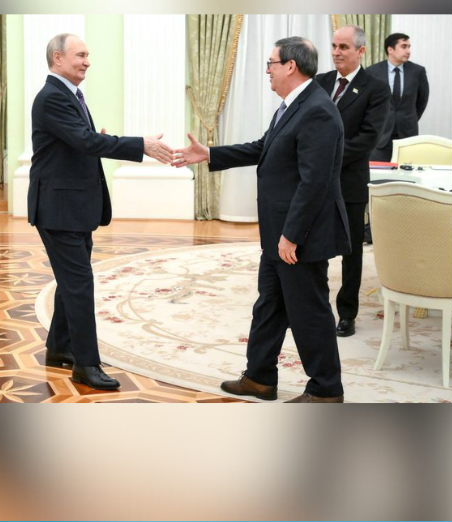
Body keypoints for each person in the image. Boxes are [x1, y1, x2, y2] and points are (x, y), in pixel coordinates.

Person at [174, 37, 351, 403]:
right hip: (280, 232)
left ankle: (326, 390)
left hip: (299, 236)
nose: (267, 70)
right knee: (270, 305)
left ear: (290, 66)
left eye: (271, 63)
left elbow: (314, 183)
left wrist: (292, 236)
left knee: (309, 312)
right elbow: (263, 148)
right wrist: (210, 154)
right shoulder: (294, 105)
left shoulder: (316, 110)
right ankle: (259, 377)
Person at [28, 33, 173, 391]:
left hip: (72, 207)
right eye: (80, 55)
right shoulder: (52, 97)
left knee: (72, 282)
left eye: (88, 55)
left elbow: (78, 142)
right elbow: (85, 140)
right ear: (58, 58)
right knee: (79, 285)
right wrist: (141, 145)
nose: (87, 61)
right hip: (59, 210)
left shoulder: (69, 95)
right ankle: (86, 365)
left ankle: (60, 347)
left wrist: (95, 141)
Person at [315, 25, 390, 338]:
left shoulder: (376, 89)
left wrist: (323, 157)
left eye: (343, 47)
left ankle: (347, 314)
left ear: (361, 51)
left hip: (349, 181)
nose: (336, 52)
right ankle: (313, 307)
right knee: (312, 246)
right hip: (314, 181)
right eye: (334, 46)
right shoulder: (319, 82)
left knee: (351, 252)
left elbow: (367, 139)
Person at [368, 33, 430, 162]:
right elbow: (367, 103)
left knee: (407, 173)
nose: (408, 51)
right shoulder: (372, 72)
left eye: (409, 47)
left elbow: (422, 101)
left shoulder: (417, 71)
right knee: (377, 173)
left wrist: (409, 118)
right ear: (390, 49)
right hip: (380, 137)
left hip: (407, 135)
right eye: (404, 46)